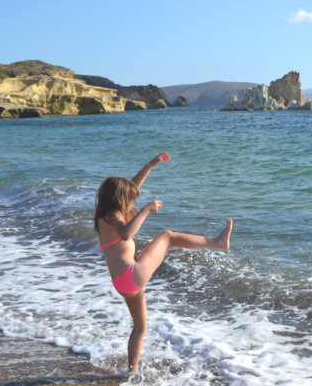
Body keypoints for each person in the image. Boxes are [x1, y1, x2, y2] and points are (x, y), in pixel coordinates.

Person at [93, 152, 233, 373]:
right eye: (127, 196)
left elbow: (132, 187)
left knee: (140, 328)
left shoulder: (103, 215)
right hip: (131, 275)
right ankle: (218, 242)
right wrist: (146, 210)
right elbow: (127, 234)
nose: (132, 198)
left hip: (122, 282)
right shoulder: (114, 217)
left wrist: (152, 164)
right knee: (168, 236)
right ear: (118, 198)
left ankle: (132, 371)